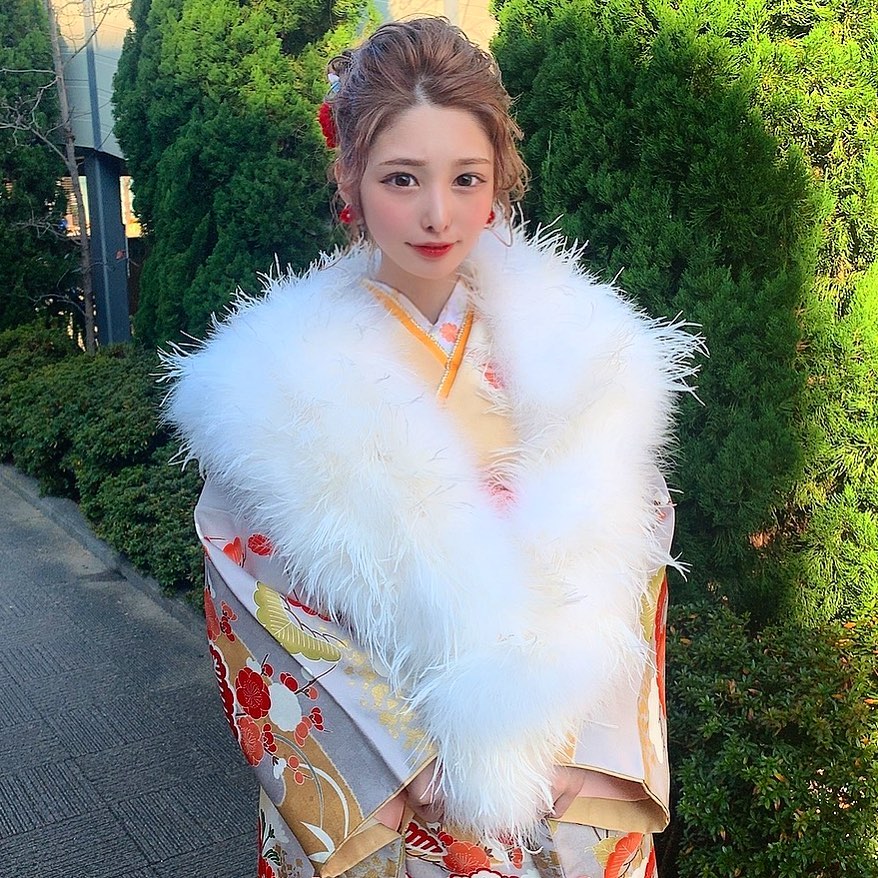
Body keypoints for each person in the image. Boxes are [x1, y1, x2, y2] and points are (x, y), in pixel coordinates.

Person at [163, 17, 700, 878]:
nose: (437, 214)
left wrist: (580, 746)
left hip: (558, 782)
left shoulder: (579, 354)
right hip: (400, 800)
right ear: (351, 178)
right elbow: (248, 585)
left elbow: (629, 560)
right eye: (402, 179)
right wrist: (402, 758)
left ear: (498, 184)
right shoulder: (275, 382)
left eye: (466, 178)